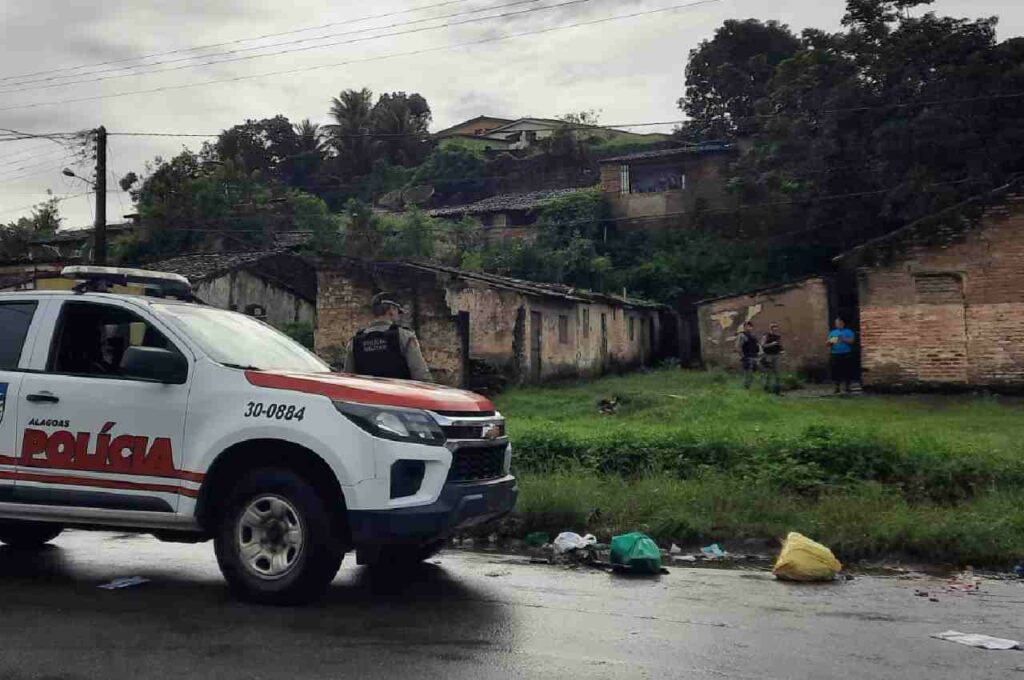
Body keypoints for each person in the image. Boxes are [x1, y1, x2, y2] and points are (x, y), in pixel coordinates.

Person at [343, 292, 432, 382]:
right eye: (398, 311)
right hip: (398, 393)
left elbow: (348, 379)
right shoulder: (404, 336)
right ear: (391, 310)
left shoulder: (355, 341)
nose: (398, 316)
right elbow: (420, 375)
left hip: (366, 395)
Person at [827, 317, 856, 394]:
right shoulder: (833, 332)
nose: (838, 325)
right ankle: (837, 388)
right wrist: (833, 340)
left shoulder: (848, 332)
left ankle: (847, 387)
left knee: (847, 371)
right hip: (835, 354)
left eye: (839, 323)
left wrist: (843, 339)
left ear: (843, 324)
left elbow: (851, 341)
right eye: (836, 324)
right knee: (836, 371)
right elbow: (828, 343)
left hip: (846, 354)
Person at [735, 320, 761, 389]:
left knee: (752, 374)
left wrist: (759, 354)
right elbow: (738, 347)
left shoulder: (753, 336)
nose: (748, 328)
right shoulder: (742, 335)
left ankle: (749, 388)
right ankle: (745, 389)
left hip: (754, 356)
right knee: (747, 374)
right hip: (747, 357)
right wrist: (743, 357)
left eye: (750, 326)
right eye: (747, 326)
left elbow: (757, 345)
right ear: (744, 327)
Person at [760, 322, 783, 395]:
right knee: (768, 373)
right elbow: (763, 345)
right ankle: (766, 390)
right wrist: (771, 344)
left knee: (777, 373)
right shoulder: (766, 335)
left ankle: (777, 391)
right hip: (768, 355)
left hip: (777, 355)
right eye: (773, 327)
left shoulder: (778, 336)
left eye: (776, 327)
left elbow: (780, 345)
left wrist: (782, 350)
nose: (775, 329)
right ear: (771, 328)